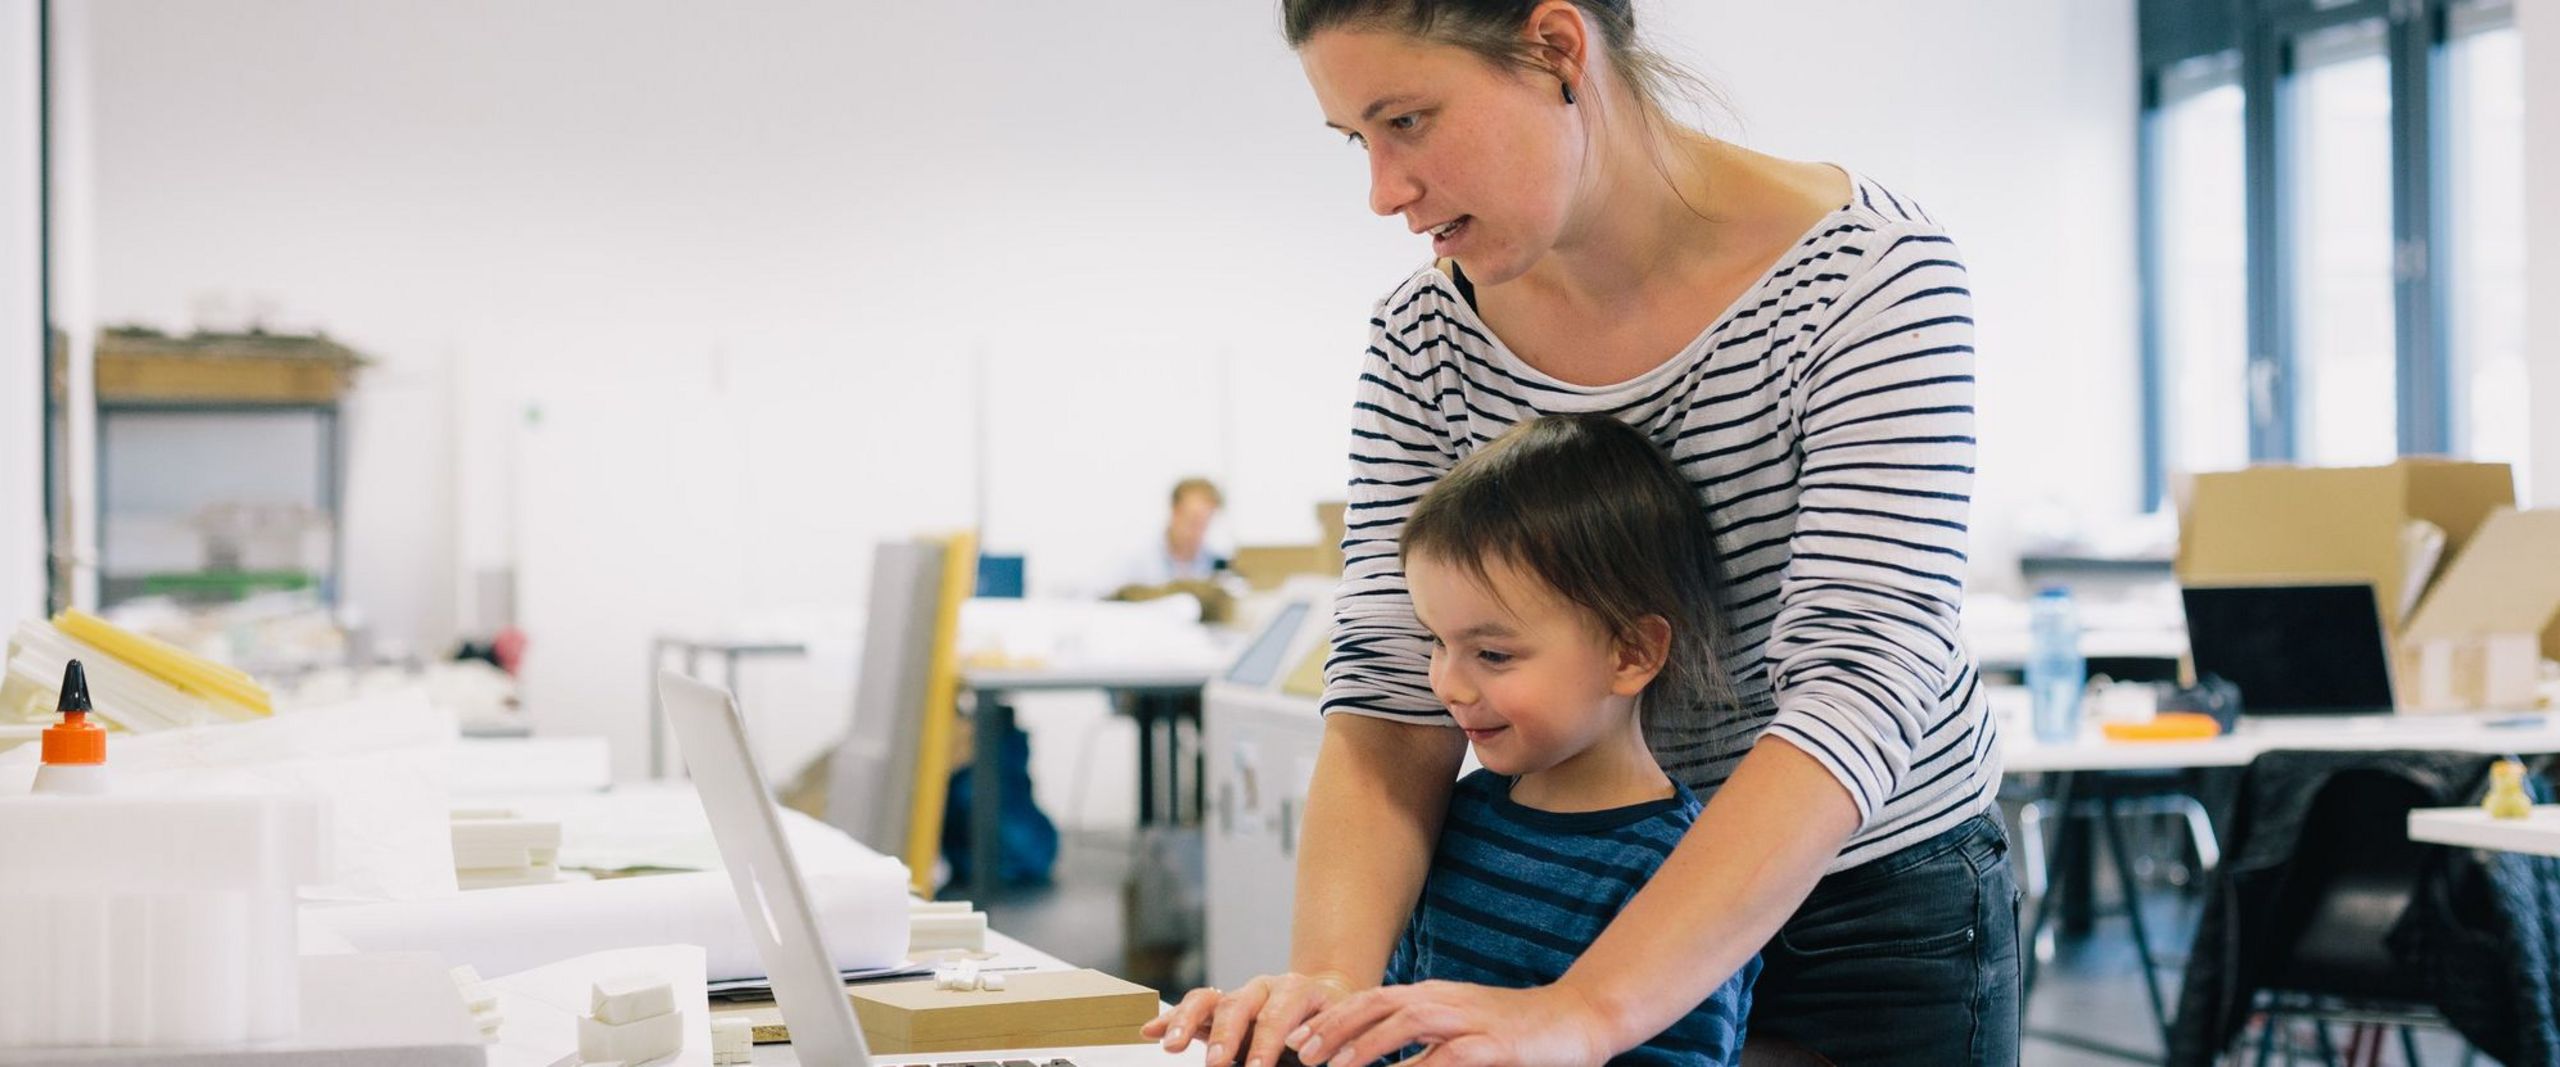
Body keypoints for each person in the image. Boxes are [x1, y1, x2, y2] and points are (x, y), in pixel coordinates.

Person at [1143, 2, 2016, 1064]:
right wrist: (1329, 995)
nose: (1383, 191)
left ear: (1557, 49)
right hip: (1570, 882)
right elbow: (1386, 689)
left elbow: (1862, 679)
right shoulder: (1425, 336)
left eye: (1407, 121)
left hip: (1858, 905)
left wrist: (1590, 1007)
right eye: (1356, 142)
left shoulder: (1869, 277)